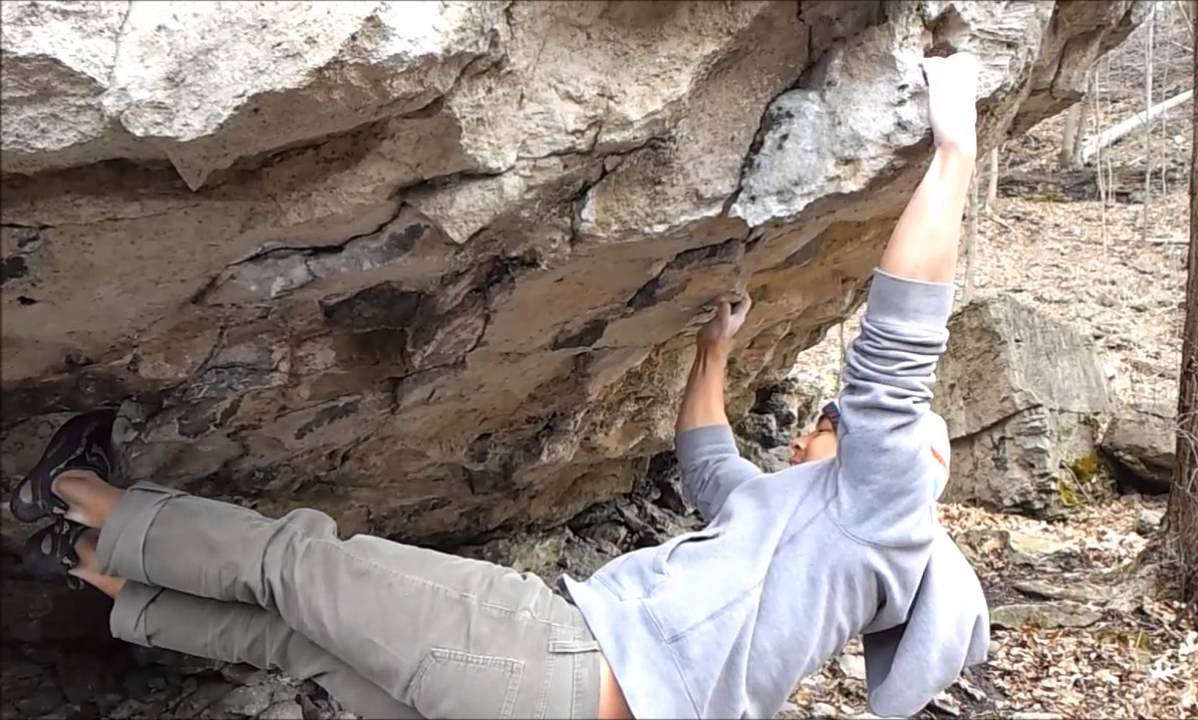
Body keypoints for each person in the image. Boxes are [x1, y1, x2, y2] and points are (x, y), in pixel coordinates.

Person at [10, 52, 988, 719]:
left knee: (299, 563)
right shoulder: (798, 533)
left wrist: (951, 156)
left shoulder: (884, 510)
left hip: (550, 668)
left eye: (908, 440)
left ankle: (73, 490)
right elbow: (707, 463)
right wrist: (712, 349)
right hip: (552, 699)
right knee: (300, 644)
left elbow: (897, 346)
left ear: (918, 475)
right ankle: (95, 565)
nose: (847, 424)